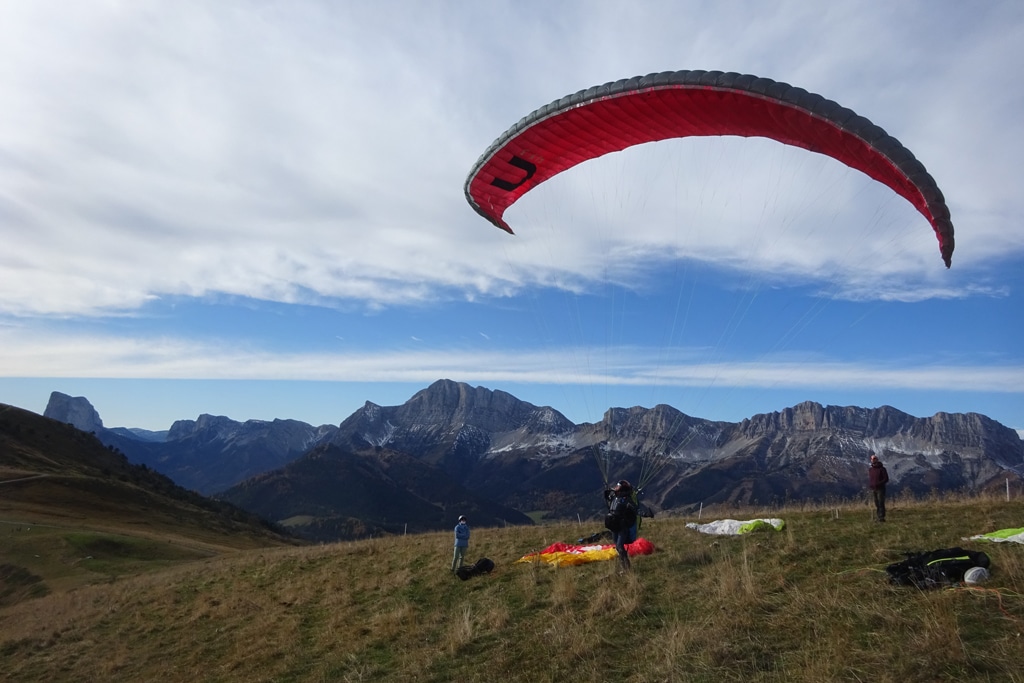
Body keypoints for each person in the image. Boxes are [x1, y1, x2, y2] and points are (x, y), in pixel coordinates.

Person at [603, 480, 639, 572]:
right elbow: (610, 505)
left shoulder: (626, 500)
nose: (616, 488)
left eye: (618, 487)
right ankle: (623, 565)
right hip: (614, 525)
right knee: (617, 546)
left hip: (622, 526)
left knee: (619, 546)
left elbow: (635, 509)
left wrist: (646, 513)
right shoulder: (614, 497)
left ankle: (626, 567)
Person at [868, 452, 889, 522]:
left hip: (880, 489)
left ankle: (881, 517)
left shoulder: (882, 469)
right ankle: (878, 516)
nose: (873, 460)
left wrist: (879, 483)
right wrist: (871, 484)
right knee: (876, 503)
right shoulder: (870, 470)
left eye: (874, 459)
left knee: (881, 502)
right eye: (872, 459)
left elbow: (886, 479)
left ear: (877, 459)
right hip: (873, 489)